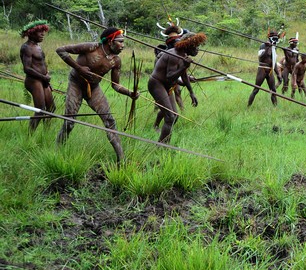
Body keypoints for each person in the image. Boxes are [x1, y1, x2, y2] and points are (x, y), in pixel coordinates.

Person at [55, 27, 139, 163]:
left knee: (110, 121)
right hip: (76, 84)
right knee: (69, 121)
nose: (123, 46)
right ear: (110, 41)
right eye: (120, 42)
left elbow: (115, 85)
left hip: (94, 89)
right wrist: (78, 68)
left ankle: (121, 160)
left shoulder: (116, 61)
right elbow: (60, 50)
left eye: (123, 42)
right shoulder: (91, 47)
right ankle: (57, 153)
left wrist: (130, 93)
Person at [148, 31, 205, 144]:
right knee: (170, 117)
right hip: (157, 84)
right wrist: (184, 65)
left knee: (175, 116)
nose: (197, 50)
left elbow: (183, 76)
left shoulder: (183, 55)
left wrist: (191, 93)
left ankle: (165, 143)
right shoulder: (174, 55)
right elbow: (169, 76)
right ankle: (162, 146)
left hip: (167, 86)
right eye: (196, 47)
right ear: (189, 45)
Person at [19, 20, 56, 131]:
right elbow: (27, 68)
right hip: (33, 81)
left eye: (43, 31)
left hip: (43, 80)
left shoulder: (38, 46)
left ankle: (46, 132)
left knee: (51, 108)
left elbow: (42, 64)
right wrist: (44, 77)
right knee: (40, 109)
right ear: (32, 33)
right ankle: (29, 136)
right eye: (39, 32)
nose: (42, 34)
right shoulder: (27, 47)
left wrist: (47, 76)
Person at [248, 29, 281, 107]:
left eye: (276, 38)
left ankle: (275, 108)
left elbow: (274, 61)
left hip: (270, 71)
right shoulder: (263, 45)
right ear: (269, 38)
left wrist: (278, 74)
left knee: (273, 90)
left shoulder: (274, 47)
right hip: (262, 69)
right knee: (256, 89)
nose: (275, 40)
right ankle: (248, 107)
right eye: (273, 38)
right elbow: (260, 58)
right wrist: (267, 48)